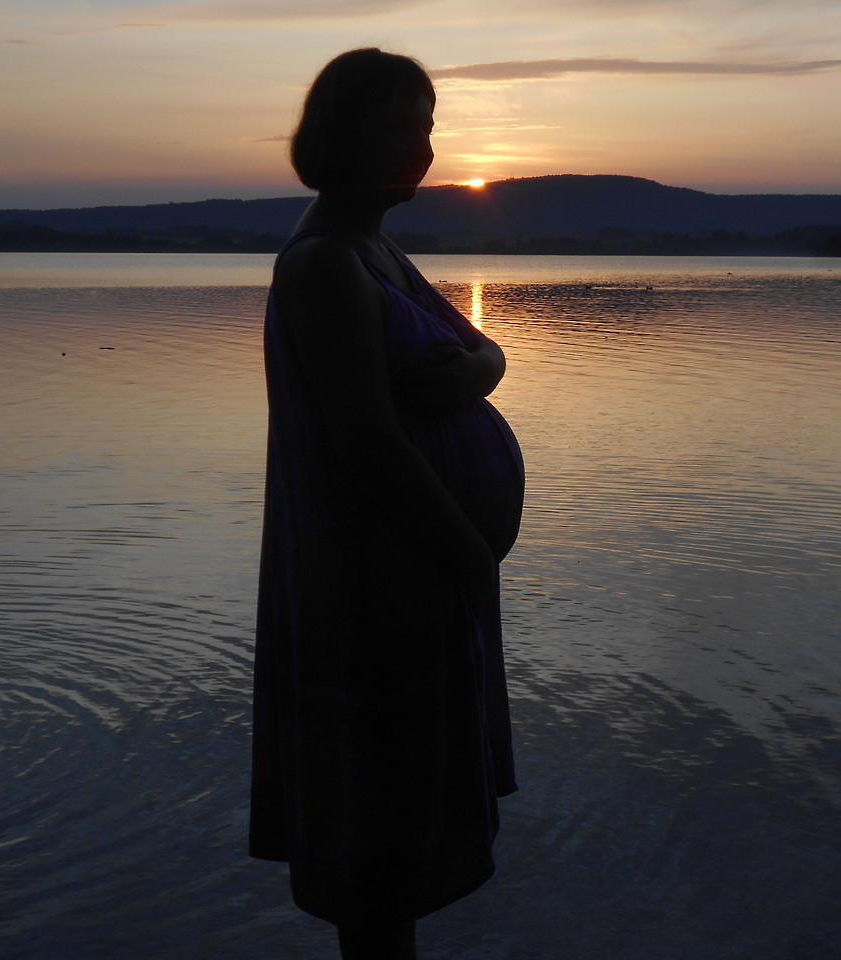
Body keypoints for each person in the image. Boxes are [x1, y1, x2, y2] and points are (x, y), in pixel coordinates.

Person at [248, 48, 524, 960]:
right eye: (403, 123)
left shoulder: (378, 248)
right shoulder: (324, 264)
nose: (425, 145)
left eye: (430, 124)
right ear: (342, 131)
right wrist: (469, 551)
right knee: (372, 842)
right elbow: (364, 446)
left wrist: (463, 381)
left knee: (405, 831)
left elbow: (487, 356)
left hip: (416, 578)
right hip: (366, 586)